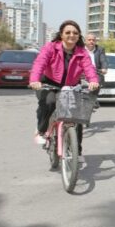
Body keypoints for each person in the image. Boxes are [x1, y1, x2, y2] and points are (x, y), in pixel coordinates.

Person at [29, 20, 99, 163]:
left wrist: (93, 80)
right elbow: (39, 63)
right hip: (49, 83)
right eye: (68, 32)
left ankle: (77, 152)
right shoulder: (50, 48)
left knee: (76, 118)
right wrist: (35, 80)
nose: (71, 35)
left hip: (71, 85)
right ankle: (41, 131)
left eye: (75, 33)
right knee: (49, 102)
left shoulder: (82, 52)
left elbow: (89, 68)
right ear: (61, 34)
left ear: (79, 36)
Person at [85, 33, 108, 108]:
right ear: (85, 41)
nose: (91, 41)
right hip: (82, 73)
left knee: (96, 81)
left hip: (96, 72)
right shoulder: (80, 49)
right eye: (89, 40)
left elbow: (103, 60)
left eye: (93, 40)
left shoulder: (100, 49)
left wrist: (104, 68)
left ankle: (93, 99)